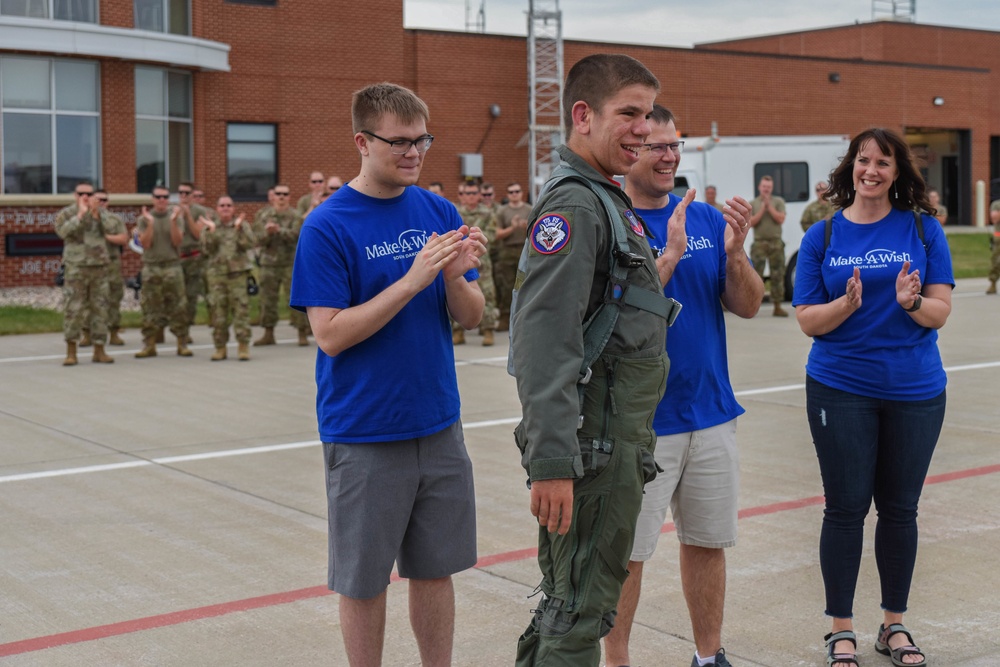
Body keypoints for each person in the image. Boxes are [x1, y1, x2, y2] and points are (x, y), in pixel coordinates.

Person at [289, 82, 485, 667]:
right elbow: (329, 333)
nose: (413, 152)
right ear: (362, 141)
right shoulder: (327, 225)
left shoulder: (438, 210)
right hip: (366, 431)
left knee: (435, 570)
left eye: (422, 139)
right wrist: (412, 279)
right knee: (364, 579)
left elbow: (472, 317)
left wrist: (454, 278)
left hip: (438, 423)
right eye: (398, 141)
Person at [511, 53, 672, 667]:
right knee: (578, 615)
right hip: (593, 447)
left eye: (649, 115)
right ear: (583, 116)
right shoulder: (577, 207)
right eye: (628, 113)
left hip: (611, 441)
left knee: (570, 605)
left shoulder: (604, 200)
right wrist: (553, 462)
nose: (644, 128)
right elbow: (544, 341)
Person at [602, 105, 761, 667]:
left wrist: (736, 254)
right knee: (627, 554)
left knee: (707, 544)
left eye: (676, 146)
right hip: (640, 421)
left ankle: (708, 655)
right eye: (657, 146)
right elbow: (608, 323)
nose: (670, 156)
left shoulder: (708, 220)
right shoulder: (610, 222)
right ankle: (617, 658)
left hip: (711, 413)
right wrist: (665, 258)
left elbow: (747, 305)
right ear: (630, 151)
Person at [793, 128, 953, 667]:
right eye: (864, 160)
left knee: (900, 510)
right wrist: (847, 305)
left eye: (883, 162)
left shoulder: (924, 230)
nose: (872, 170)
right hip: (840, 388)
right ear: (850, 168)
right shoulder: (822, 235)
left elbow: (940, 311)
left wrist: (910, 303)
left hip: (915, 389)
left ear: (897, 172)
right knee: (844, 508)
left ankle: (893, 625)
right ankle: (841, 630)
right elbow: (808, 321)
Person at [53, 182, 117, 365]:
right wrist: (80, 215)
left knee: (100, 309)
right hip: (76, 268)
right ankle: (71, 351)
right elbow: (62, 232)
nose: (86, 197)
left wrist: (97, 215)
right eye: (82, 193)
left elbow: (114, 230)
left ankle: (99, 349)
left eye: (89, 193)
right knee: (74, 309)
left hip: (99, 268)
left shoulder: (102, 213)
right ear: (75, 195)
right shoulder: (67, 213)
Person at [134, 186, 193, 358]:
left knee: (179, 307)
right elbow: (145, 244)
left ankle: (182, 343)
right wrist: (151, 223)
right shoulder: (143, 219)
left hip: (172, 266)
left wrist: (174, 222)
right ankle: (149, 344)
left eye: (165, 197)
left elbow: (177, 241)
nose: (161, 200)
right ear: (152, 199)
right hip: (151, 267)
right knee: (150, 308)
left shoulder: (176, 217)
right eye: (158, 197)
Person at [200, 196, 256, 361]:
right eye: (222, 205)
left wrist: (239, 230)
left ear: (233, 208)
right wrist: (212, 232)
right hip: (217, 276)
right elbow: (207, 249)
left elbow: (249, 244)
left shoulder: (242, 225)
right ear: (217, 208)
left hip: (237, 275)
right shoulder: (210, 226)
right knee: (218, 313)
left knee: (241, 312)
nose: (225, 208)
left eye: (229, 205)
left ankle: (243, 346)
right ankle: (220, 347)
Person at [253, 184, 308, 346]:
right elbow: (257, 239)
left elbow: (297, 236)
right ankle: (268, 333)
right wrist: (268, 233)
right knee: (267, 300)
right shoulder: (263, 215)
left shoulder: (296, 216)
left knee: (297, 299)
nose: (282, 197)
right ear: (273, 196)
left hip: (291, 264)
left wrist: (278, 231)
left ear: (289, 197)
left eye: (285, 194)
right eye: (278, 194)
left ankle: (302, 333)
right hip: (268, 264)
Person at [453, 181, 498, 346]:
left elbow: (492, 235)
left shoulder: (487, 213)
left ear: (478, 195)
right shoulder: (455, 213)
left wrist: (474, 240)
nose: (470, 197)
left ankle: (488, 330)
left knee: (487, 294)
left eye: (473, 193)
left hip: (482, 261)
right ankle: (457, 331)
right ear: (461, 195)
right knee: (458, 291)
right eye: (467, 193)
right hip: (459, 260)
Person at [176, 182, 215, 337]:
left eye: (187, 193)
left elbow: (198, 235)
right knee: (175, 296)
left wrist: (187, 216)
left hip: (193, 257)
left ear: (192, 195)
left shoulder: (200, 211)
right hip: (176, 258)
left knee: (191, 296)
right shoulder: (172, 209)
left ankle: (186, 329)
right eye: (181, 193)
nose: (183, 196)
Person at [749, 174, 789, 316]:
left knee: (777, 275)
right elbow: (751, 222)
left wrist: (769, 207)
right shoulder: (753, 203)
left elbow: (780, 219)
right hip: (759, 243)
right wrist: (762, 209)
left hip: (776, 243)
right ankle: (754, 306)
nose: (766, 189)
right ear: (760, 187)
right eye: (764, 187)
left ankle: (777, 306)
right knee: (756, 275)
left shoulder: (778, 201)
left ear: (771, 188)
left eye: (769, 187)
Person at [93, 190, 129, 346]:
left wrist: (106, 237)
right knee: (91, 300)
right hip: (92, 265)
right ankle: (87, 333)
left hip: (111, 264)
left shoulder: (115, 220)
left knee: (114, 298)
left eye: (104, 200)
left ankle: (114, 332)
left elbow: (123, 238)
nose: (101, 202)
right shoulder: (84, 220)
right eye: (98, 199)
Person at [494, 181, 530, 330]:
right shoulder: (502, 211)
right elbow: (497, 234)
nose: (514, 194)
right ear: (508, 195)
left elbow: (538, 231)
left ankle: (525, 318)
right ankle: (505, 317)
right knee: (506, 285)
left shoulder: (530, 209)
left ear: (521, 193)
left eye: (516, 191)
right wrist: (512, 228)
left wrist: (526, 226)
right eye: (511, 192)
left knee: (527, 284)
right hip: (507, 250)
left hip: (525, 250)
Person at [988, 198, 1000, 294]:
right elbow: (995, 216)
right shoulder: (997, 204)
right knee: (996, 260)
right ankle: (993, 283)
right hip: (998, 237)